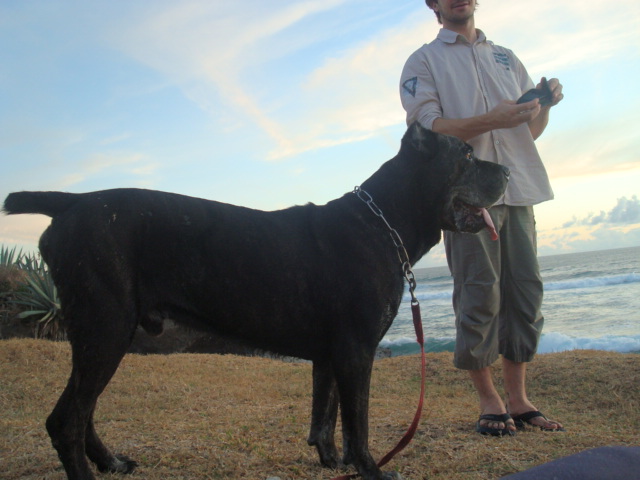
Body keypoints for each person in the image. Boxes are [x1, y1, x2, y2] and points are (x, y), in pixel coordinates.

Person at [399, 0, 565, 436]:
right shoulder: (423, 61)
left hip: (520, 188)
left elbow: (527, 131)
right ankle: (490, 401)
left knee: (525, 296)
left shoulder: (505, 57)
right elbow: (429, 132)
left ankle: (519, 399)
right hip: (467, 195)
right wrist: (491, 118)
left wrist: (544, 105)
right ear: (433, 5)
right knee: (479, 294)